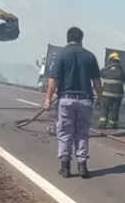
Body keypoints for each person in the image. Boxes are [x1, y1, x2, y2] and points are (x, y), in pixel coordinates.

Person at [43, 26, 102, 178]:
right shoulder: (90, 56)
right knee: (82, 133)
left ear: (67, 38)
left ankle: (65, 167)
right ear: (81, 39)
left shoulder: (61, 55)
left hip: (66, 100)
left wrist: (48, 99)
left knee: (65, 133)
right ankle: (82, 166)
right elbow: (96, 80)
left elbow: (53, 80)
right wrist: (100, 98)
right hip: (85, 101)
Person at [96, 52, 125, 130]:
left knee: (104, 108)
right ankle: (112, 125)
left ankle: (102, 124)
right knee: (114, 110)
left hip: (106, 94)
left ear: (110, 60)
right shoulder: (122, 70)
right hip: (117, 95)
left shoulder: (105, 69)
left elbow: (97, 75)